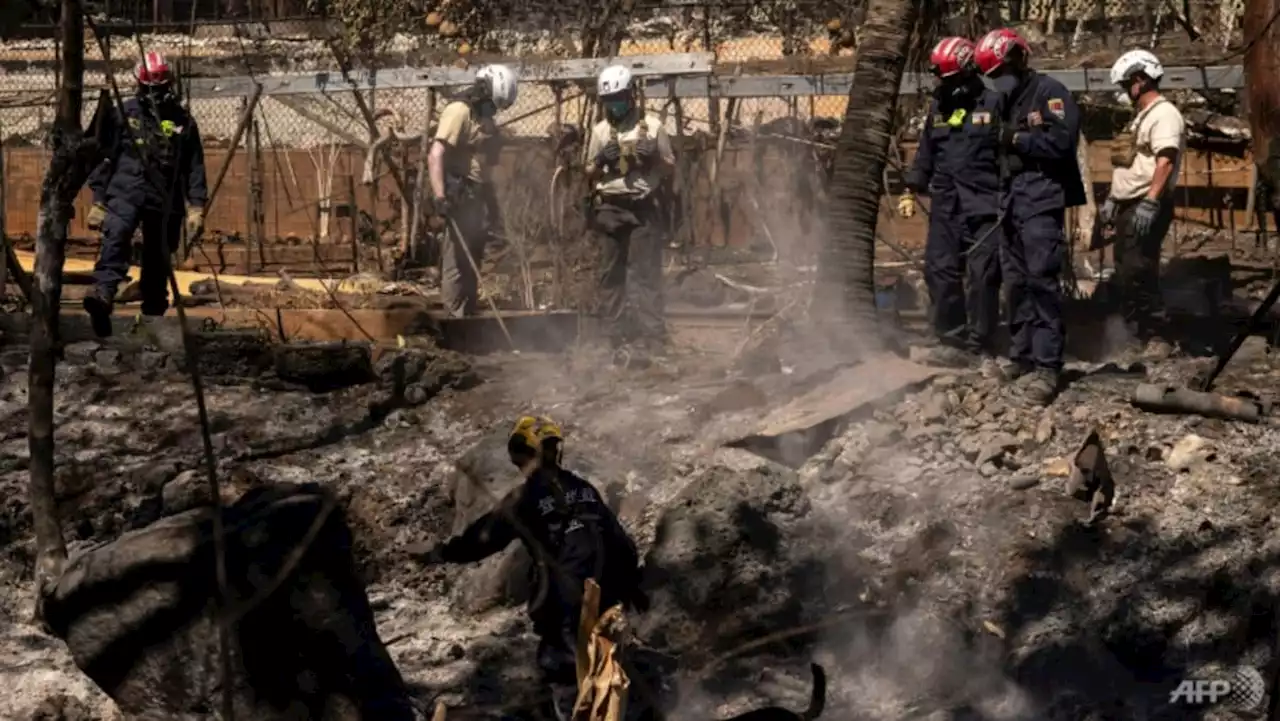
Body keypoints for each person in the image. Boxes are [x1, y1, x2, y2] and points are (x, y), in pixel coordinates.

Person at [411, 415, 646, 721]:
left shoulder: (526, 497)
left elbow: (483, 538)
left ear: (520, 454)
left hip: (566, 606)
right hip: (607, 599)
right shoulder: (584, 488)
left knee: (567, 680)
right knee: (604, 675)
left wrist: (439, 553)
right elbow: (622, 544)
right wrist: (632, 590)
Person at [974, 27, 1086, 405]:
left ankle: (1046, 367)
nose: (995, 81)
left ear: (1020, 60)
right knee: (1016, 283)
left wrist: (1017, 139)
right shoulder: (1005, 100)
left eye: (1000, 72)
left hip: (1041, 199)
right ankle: (1021, 356)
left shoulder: (1051, 93)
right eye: (990, 76)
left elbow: (1061, 143)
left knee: (1041, 282)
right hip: (1011, 201)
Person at [84, 51, 207, 338]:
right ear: (139, 86)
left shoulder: (183, 121)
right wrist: (99, 199)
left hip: (165, 199)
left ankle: (153, 311)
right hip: (125, 192)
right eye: (150, 88)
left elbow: (195, 166)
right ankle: (102, 295)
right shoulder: (122, 115)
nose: (155, 95)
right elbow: (104, 157)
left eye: (160, 88)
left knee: (158, 255)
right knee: (117, 236)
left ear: (170, 85)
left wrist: (196, 207)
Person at [899, 36, 1004, 372]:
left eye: (949, 78)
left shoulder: (995, 104)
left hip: (986, 204)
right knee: (939, 269)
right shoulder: (939, 109)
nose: (943, 86)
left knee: (982, 276)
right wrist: (909, 188)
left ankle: (979, 344)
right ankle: (951, 338)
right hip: (947, 204)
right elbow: (926, 153)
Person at [584, 64, 676, 366]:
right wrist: (600, 159)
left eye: (619, 98)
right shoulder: (599, 131)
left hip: (641, 207)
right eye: (609, 100)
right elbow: (588, 172)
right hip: (610, 207)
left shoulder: (653, 127)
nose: (615, 105)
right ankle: (614, 337)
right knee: (611, 274)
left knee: (645, 273)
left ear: (631, 95)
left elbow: (669, 167)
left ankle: (653, 338)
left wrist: (654, 158)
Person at [1099, 49, 1185, 345]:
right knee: (1126, 269)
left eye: (1126, 85)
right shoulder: (1142, 117)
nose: (1125, 91)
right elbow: (1132, 164)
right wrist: (1113, 198)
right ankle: (1136, 332)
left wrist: (1150, 201)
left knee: (1139, 269)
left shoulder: (1164, 114)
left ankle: (1158, 336)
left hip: (1145, 204)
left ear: (1140, 79)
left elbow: (1166, 160)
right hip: (1129, 204)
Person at [427, 64, 517, 318]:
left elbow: (484, 158)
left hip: (476, 194)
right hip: (459, 193)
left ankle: (467, 314)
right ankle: (454, 319)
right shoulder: (459, 111)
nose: (494, 111)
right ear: (482, 92)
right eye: (493, 104)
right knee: (457, 260)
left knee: (472, 257)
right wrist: (440, 197)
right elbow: (435, 155)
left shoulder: (482, 117)